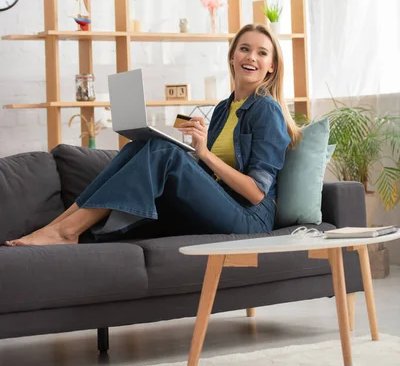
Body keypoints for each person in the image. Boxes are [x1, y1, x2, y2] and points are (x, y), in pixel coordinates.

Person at [5, 24, 302, 247]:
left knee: (164, 153)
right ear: (233, 56)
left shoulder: (266, 110)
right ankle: (58, 226)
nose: (251, 57)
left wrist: (204, 155)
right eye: (245, 48)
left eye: (262, 53)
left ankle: (66, 231)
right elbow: (214, 177)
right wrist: (194, 149)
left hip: (250, 219)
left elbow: (256, 193)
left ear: (271, 66)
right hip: (226, 204)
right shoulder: (225, 108)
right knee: (141, 146)